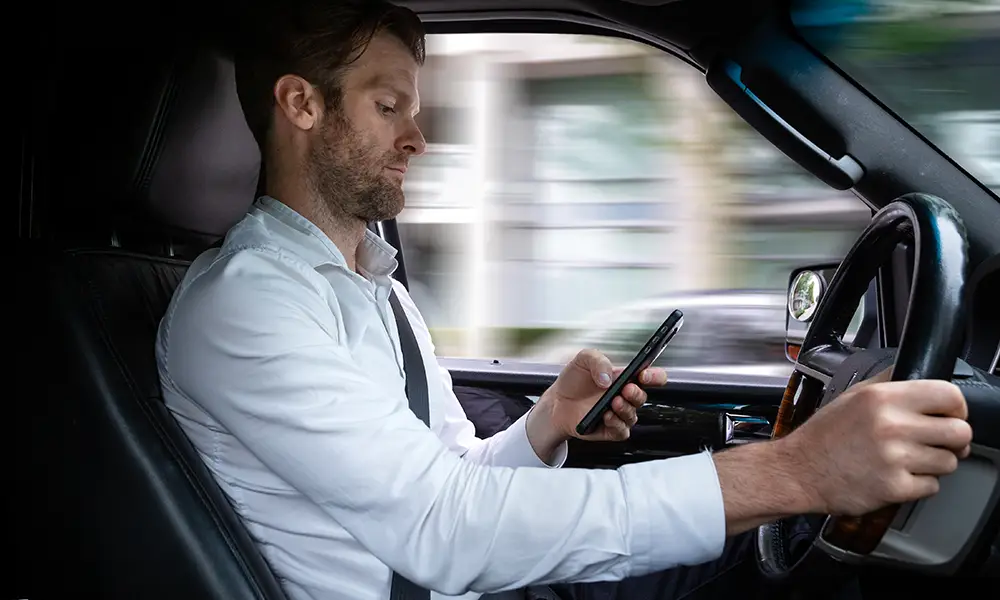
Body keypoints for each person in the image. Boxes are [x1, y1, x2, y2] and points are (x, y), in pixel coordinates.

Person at [154, 1, 974, 599]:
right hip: (450, 583)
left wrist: (547, 420)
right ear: (302, 105)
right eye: (388, 105)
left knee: (751, 555)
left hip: (475, 584)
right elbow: (442, 531)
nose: (419, 137)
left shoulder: (372, 289)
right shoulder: (245, 305)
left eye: (415, 108)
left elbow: (453, 474)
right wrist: (798, 472)